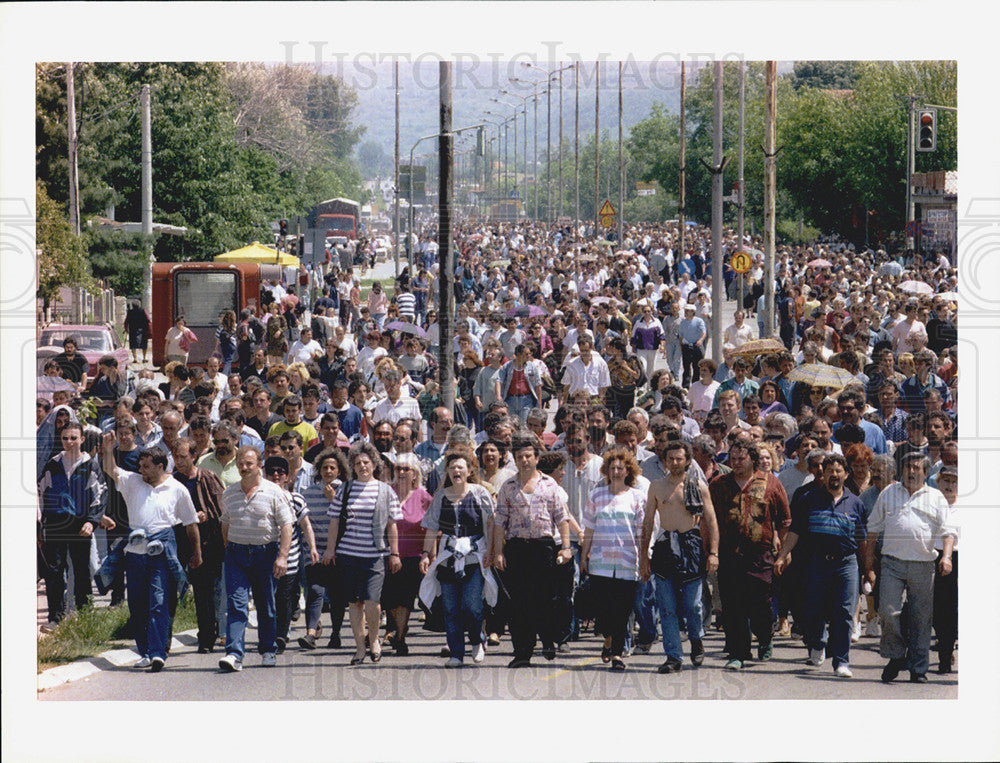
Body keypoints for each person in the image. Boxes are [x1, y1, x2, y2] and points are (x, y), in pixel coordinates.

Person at [100, 432, 201, 672]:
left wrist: (196, 552)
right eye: (140, 466)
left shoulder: (177, 489)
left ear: (161, 466)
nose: (141, 470)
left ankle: (157, 652)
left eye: (146, 467)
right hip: (135, 550)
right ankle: (144, 651)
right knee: (137, 603)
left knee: (159, 601)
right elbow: (111, 469)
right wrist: (106, 448)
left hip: (162, 550)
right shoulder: (133, 481)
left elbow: (190, 523)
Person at [864, 452, 956, 683]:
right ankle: (896, 656)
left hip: (924, 565)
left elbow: (948, 531)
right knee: (888, 611)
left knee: (921, 618)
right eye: (908, 467)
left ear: (926, 473)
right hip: (892, 563)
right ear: (900, 471)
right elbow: (873, 528)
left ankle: (918, 669)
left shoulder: (935, 497)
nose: (912, 471)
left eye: (916, 468)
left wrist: (946, 558)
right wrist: (868, 563)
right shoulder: (889, 493)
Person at [774, 453, 868, 678]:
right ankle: (817, 643)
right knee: (813, 608)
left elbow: (862, 539)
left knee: (845, 612)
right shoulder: (809, 499)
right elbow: (795, 531)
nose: (834, 475)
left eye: (838, 471)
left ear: (846, 474)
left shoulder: (855, 502)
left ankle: (841, 661)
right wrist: (783, 555)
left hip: (846, 563)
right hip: (815, 562)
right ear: (822, 474)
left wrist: (868, 569)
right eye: (829, 471)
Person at [709, 440, 791, 670]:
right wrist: (711, 552)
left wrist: (784, 553)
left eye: (741, 459)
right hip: (729, 554)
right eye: (732, 459)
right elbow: (710, 520)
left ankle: (765, 636)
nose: (735, 463)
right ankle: (738, 652)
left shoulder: (771, 483)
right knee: (732, 605)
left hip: (761, 554)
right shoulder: (719, 485)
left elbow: (784, 520)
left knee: (760, 602)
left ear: (752, 460)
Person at [493, 433, 573, 668]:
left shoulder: (550, 485)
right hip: (517, 548)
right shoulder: (507, 487)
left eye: (528, 456)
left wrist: (566, 548)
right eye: (519, 457)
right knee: (518, 602)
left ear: (537, 458)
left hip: (543, 547)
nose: (524, 460)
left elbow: (562, 518)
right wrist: (498, 552)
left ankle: (548, 639)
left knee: (546, 598)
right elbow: (500, 522)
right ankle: (522, 652)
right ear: (515, 460)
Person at [641, 440, 718, 674]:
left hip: (691, 547)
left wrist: (713, 553)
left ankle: (696, 638)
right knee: (667, 607)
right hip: (665, 548)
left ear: (687, 461)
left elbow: (712, 521)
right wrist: (644, 557)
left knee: (693, 605)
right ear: (664, 460)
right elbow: (647, 525)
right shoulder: (656, 487)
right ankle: (673, 656)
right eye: (670, 458)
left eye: (679, 458)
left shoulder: (697, 486)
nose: (674, 463)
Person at [323, 441, 403, 665]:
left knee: (372, 602)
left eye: (366, 462)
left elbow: (392, 525)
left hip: (375, 555)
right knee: (353, 603)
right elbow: (334, 521)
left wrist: (394, 554)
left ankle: (374, 639)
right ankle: (359, 647)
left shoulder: (385, 490)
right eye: (357, 463)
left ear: (373, 464)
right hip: (348, 554)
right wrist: (330, 550)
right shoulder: (346, 489)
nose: (362, 466)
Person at [218, 446, 294, 672]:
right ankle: (234, 653)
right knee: (237, 604)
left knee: (265, 604)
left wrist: (282, 556)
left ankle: (268, 649)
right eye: (240, 463)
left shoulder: (273, 492)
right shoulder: (229, 493)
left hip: (265, 554)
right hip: (237, 555)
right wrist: (230, 547)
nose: (244, 467)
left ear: (259, 465)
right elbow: (225, 523)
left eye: (249, 463)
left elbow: (286, 525)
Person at [419, 451, 496, 666]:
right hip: (448, 558)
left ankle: (477, 640)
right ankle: (456, 653)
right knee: (450, 607)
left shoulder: (480, 493)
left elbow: (490, 524)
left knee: (472, 604)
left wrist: (491, 550)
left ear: (469, 471)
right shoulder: (441, 497)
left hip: (474, 557)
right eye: (452, 467)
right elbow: (432, 527)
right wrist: (426, 554)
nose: (456, 471)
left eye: (460, 467)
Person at [581, 446, 646, 672]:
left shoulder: (637, 497)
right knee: (603, 609)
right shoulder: (596, 496)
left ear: (628, 471)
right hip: (600, 563)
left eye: (621, 468)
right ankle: (607, 639)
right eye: (612, 468)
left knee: (622, 610)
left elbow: (641, 532)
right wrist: (583, 556)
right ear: (606, 471)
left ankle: (617, 652)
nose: (617, 472)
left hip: (628, 563)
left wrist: (645, 559)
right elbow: (588, 528)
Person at [38, 422, 107, 628]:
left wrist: (92, 521)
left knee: (81, 571)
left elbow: (100, 496)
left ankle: (85, 616)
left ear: (82, 439)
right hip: (55, 525)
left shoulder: (90, 465)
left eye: (73, 438)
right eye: (65, 438)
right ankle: (55, 619)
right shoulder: (53, 464)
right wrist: (40, 526)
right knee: (55, 572)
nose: (69, 442)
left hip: (80, 525)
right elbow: (41, 494)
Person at [170, 437, 226, 653]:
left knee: (205, 593)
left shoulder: (208, 477)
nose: (179, 461)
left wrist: (205, 515)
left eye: (183, 457)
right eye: (176, 457)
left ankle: (207, 638)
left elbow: (222, 509)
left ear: (194, 456)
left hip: (206, 541)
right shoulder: (172, 481)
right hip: (179, 540)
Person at [262, 455, 318, 654]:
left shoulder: (296, 498)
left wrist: (312, 547)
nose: (276, 475)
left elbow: (306, 525)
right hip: (264, 556)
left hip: (291, 558)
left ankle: (280, 634)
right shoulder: (259, 497)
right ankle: (271, 633)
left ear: (287, 476)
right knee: (268, 597)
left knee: (285, 598)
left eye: (281, 472)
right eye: (271, 472)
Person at [298, 447, 350, 650]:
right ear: (319, 470)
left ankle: (335, 634)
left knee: (337, 595)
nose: (328, 471)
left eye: (332, 468)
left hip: (339, 551)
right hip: (314, 551)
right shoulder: (308, 493)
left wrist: (333, 500)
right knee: (315, 590)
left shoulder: (346, 491)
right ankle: (311, 633)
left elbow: (350, 521)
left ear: (339, 470)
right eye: (325, 468)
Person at [383, 453, 432, 656]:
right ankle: (397, 629)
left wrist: (429, 555)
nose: (401, 472)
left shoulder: (423, 497)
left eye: (406, 469)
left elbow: (432, 528)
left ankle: (401, 636)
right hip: (387, 553)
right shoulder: (386, 493)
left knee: (404, 598)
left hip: (413, 555)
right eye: (398, 469)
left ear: (415, 474)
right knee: (389, 599)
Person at [678, 303, 707, 388]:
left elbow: (703, 332)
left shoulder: (699, 321)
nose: (686, 312)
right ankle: (686, 387)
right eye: (685, 311)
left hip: (696, 346)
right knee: (686, 368)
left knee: (697, 367)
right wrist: (681, 346)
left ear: (692, 312)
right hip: (686, 346)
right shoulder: (683, 322)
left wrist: (700, 340)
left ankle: (696, 385)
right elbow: (680, 336)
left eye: (688, 311)